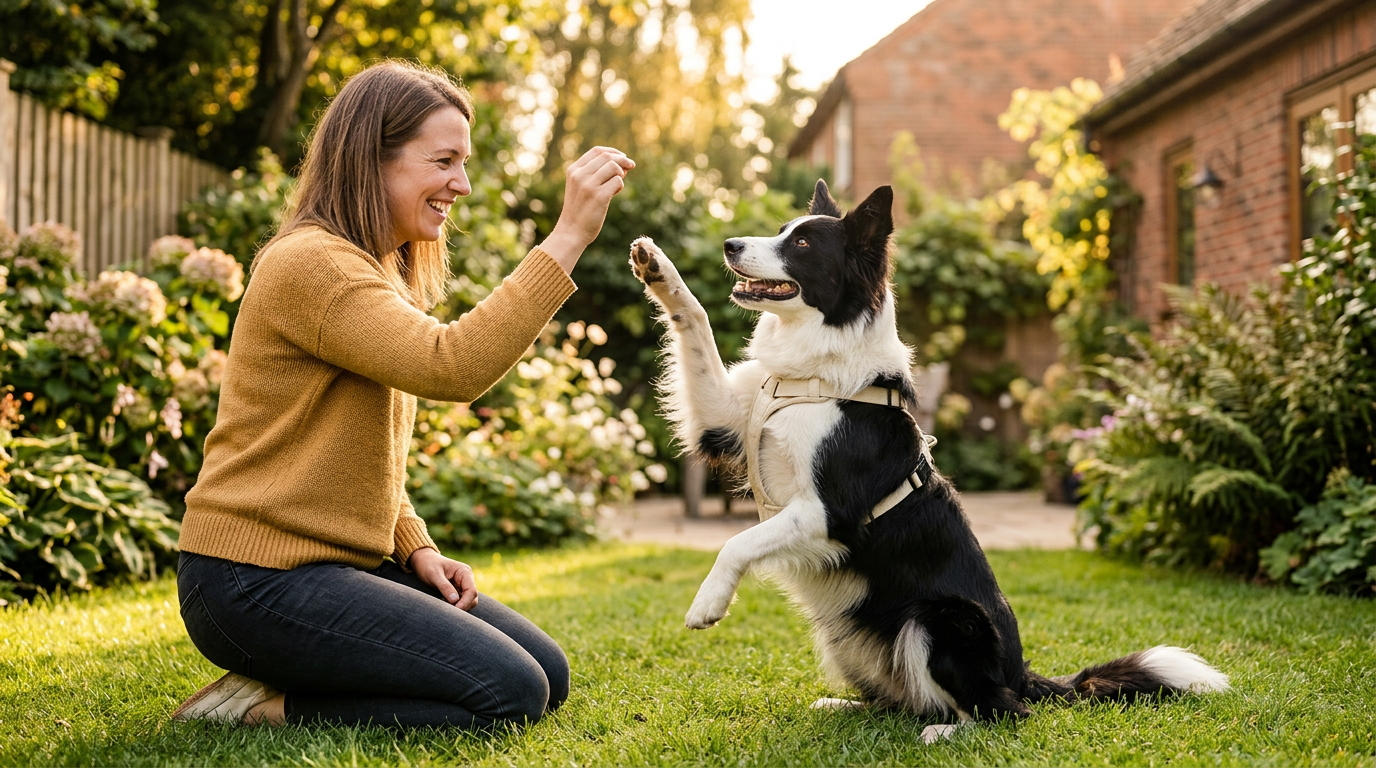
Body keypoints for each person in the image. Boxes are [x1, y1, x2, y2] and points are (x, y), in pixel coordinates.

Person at [170, 60, 633, 729]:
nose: (462, 185)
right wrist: (568, 238)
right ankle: (262, 708)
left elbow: (359, 445)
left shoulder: (371, 270)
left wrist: (415, 546)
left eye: (464, 162)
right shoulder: (312, 264)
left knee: (547, 674)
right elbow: (454, 367)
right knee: (510, 693)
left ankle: (301, 672)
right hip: (250, 579)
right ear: (371, 160)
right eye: (443, 160)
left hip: (329, 567)